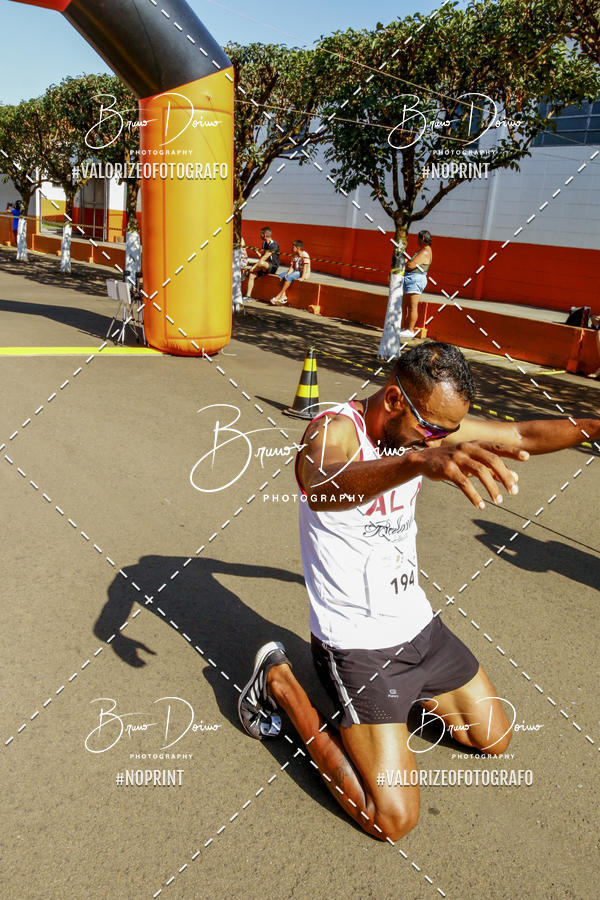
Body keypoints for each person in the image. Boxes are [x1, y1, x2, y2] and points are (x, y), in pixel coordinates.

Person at [238, 341, 600, 842]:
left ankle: (396, 707)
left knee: (494, 737)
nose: (442, 440)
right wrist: (418, 461)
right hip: (357, 647)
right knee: (392, 820)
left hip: (419, 628)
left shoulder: (431, 427)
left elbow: (521, 434)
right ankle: (280, 683)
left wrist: (597, 425)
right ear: (393, 400)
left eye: (448, 432)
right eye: (433, 430)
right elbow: (322, 485)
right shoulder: (333, 429)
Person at [398, 230, 433, 339]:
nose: (417, 241)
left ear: (423, 239)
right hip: (412, 279)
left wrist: (406, 262)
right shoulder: (424, 250)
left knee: (412, 307)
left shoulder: (425, 251)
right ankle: (404, 328)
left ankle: (410, 330)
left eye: (418, 238)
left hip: (415, 280)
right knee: (406, 306)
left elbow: (411, 265)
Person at [244, 226, 281, 302]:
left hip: (272, 267)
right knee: (252, 275)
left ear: (264, 235)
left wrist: (253, 267)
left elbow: (265, 257)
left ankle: (246, 273)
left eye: (261, 234)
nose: (260, 235)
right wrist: (257, 252)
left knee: (259, 263)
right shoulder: (264, 243)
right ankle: (248, 296)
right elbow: (262, 256)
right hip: (263, 265)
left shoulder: (274, 244)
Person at [269, 240, 311, 305]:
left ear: (298, 248)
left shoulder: (305, 254)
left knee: (288, 277)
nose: (292, 248)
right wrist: (287, 273)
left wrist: (303, 277)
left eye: (293, 247)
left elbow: (306, 267)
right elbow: (292, 267)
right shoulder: (294, 255)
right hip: (295, 271)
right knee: (280, 276)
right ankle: (283, 296)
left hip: (302, 272)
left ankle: (279, 296)